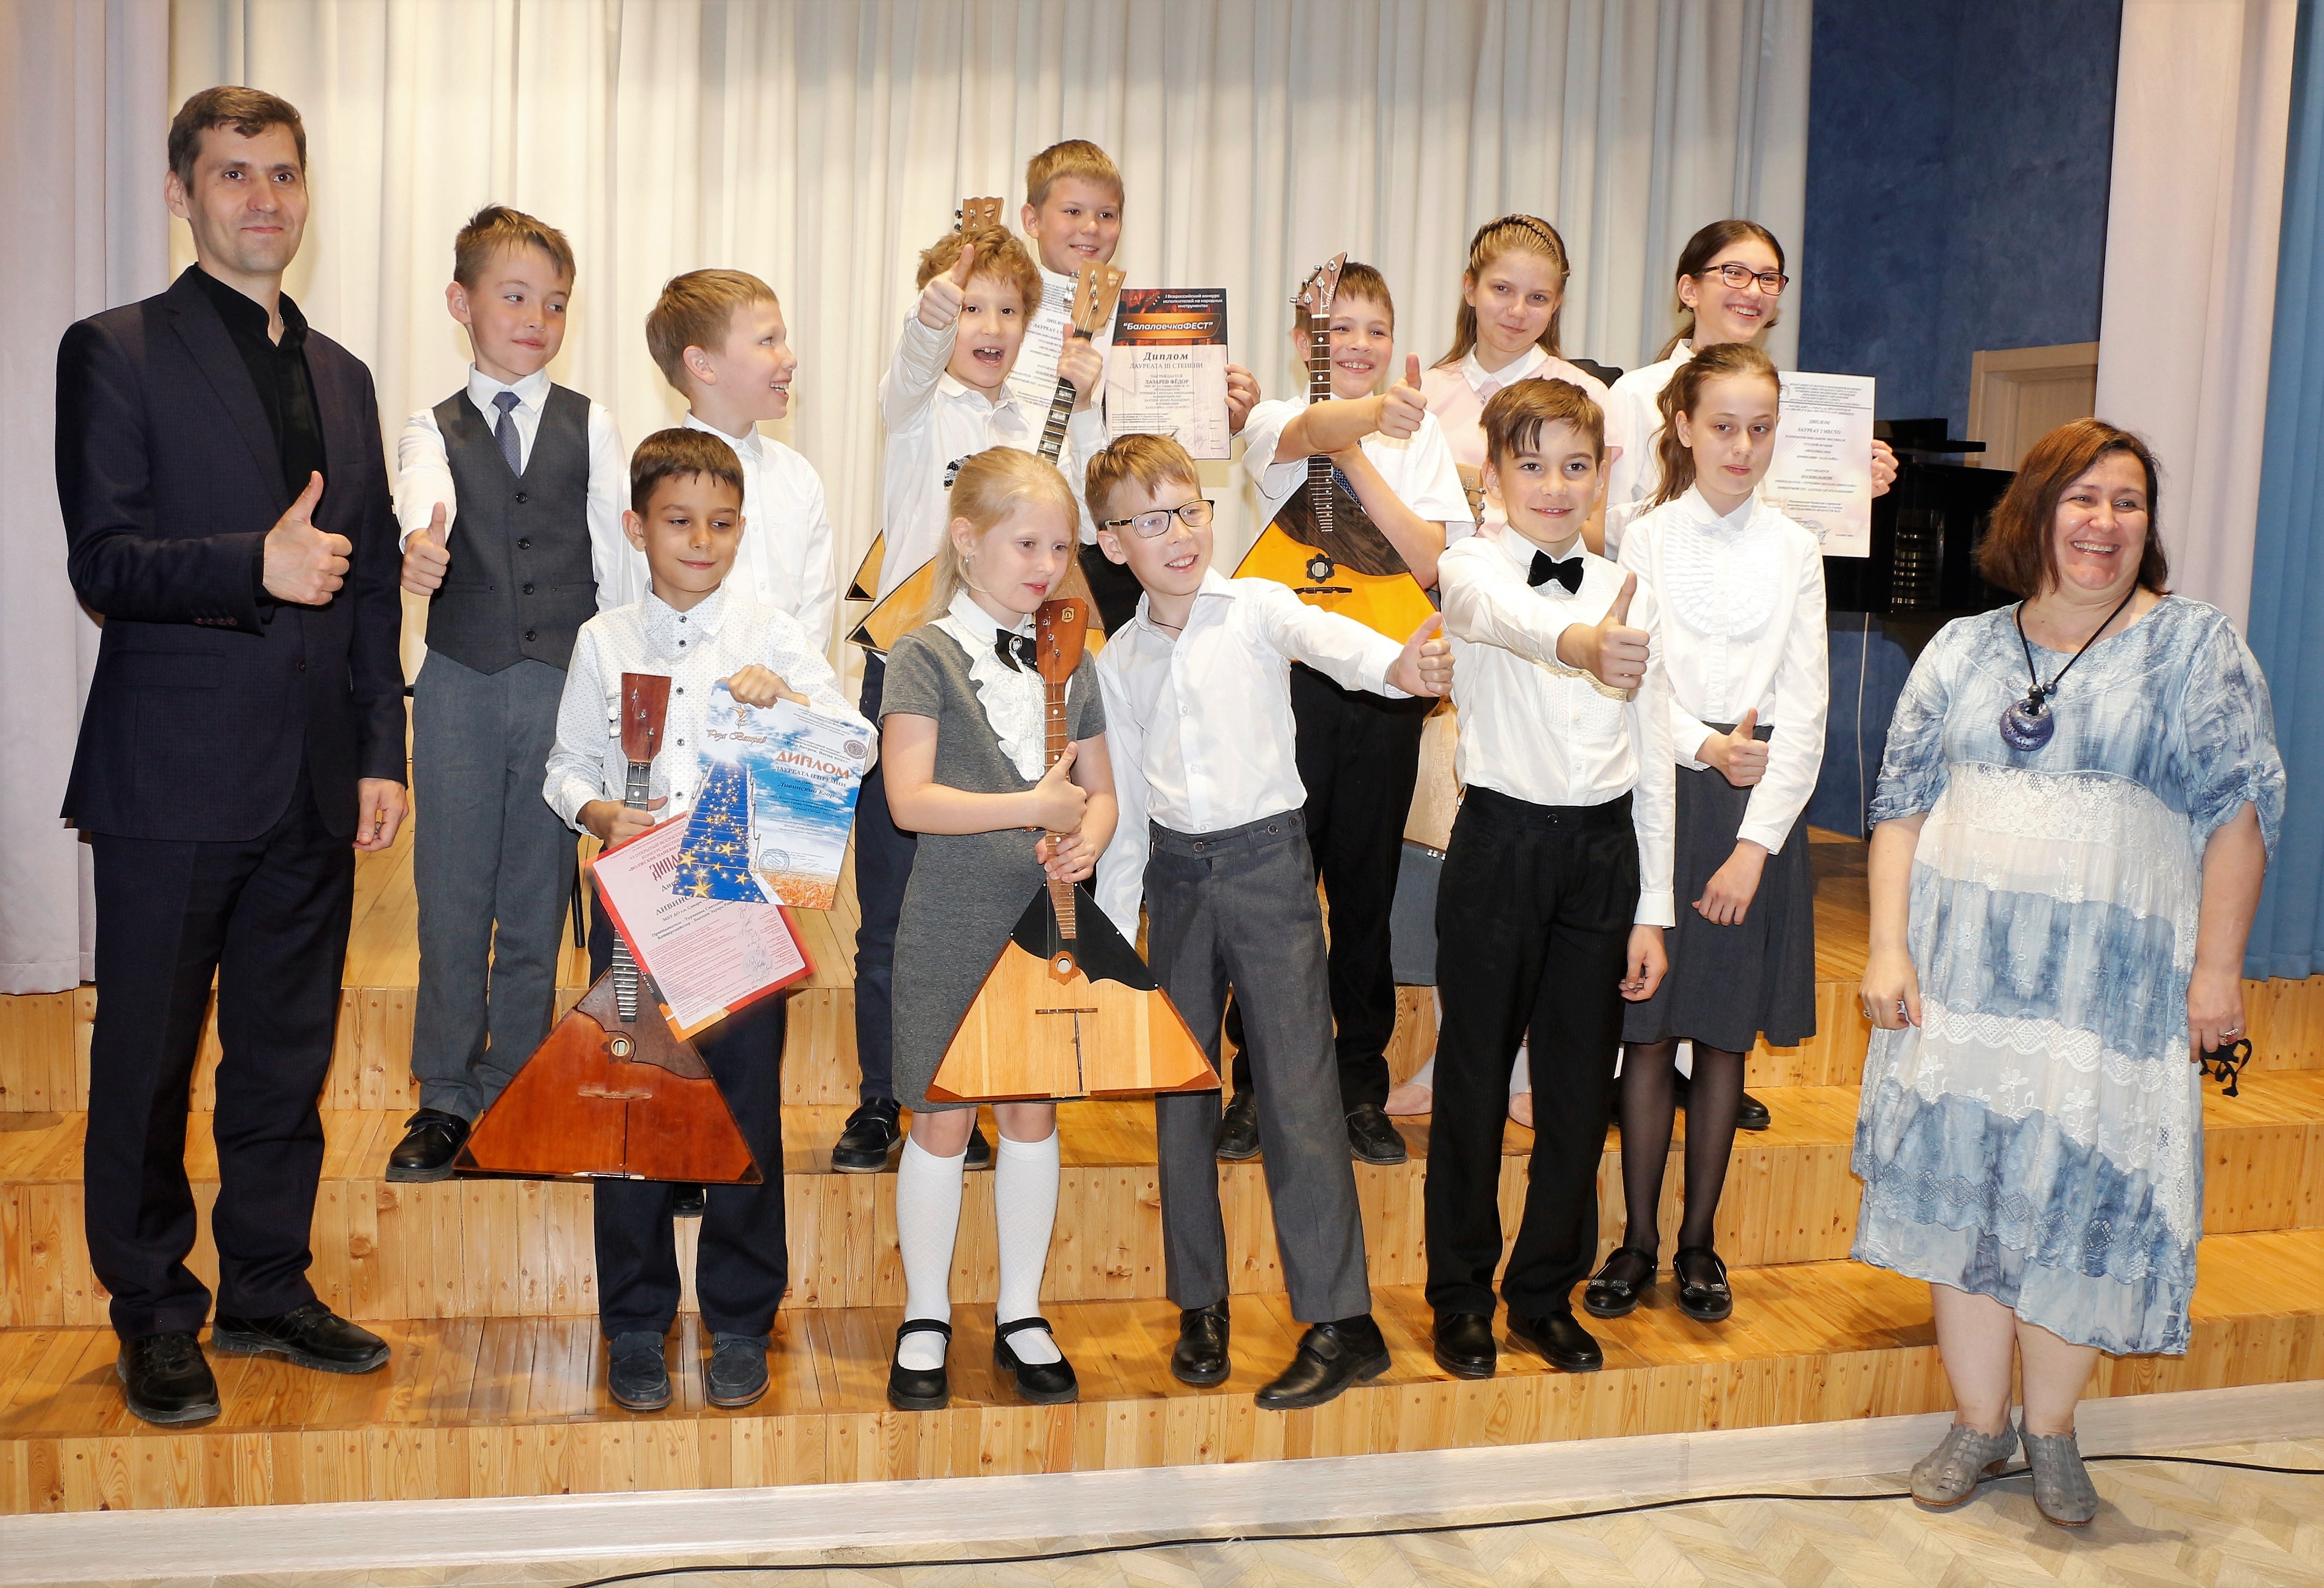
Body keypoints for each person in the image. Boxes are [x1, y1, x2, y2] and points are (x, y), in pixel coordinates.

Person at [1854, 419, 2280, 1525]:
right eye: (2082, 499)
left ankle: (2050, 1431)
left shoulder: (2195, 647)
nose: (2104, 522)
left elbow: (2238, 817)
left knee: (2077, 1199)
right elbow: (1900, 805)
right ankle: (1978, 1421)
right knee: (1967, 1191)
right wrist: (1889, 945)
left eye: (2127, 502)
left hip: (2112, 993)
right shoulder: (1962, 648)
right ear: (2036, 515)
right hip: (1962, 982)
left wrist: (2217, 972)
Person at [57, 86, 405, 1425]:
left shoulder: (345, 377)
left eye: (283, 174)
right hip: (170, 776)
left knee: (283, 1060)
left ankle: (265, 1284)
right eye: (234, 174)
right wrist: (248, 564)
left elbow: (367, 584)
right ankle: (152, 1309)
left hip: (315, 781)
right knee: (144, 1065)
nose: (264, 198)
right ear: (181, 194)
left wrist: (381, 749)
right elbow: (105, 561)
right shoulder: (114, 350)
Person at [1088, 431, 1452, 1409]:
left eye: (1190, 509)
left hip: (1267, 867)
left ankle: (1343, 1324)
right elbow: (1126, 808)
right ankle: (1198, 1305)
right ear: (1112, 542)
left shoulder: (1256, 605)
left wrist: (1402, 667)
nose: (1179, 533)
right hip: (1175, 877)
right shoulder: (1118, 659)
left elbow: (1337, 644)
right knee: (1181, 1097)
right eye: (1151, 520)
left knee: (1298, 1092)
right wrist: (1115, 936)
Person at [543, 428, 863, 1413]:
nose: (701, 541)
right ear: (636, 528)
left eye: (721, 524)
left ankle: (740, 1319)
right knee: (630, 1107)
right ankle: (636, 1322)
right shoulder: (602, 640)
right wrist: (599, 812)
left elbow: (850, 746)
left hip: (737, 905)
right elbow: (566, 766)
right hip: (634, 906)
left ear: (740, 530)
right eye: (679, 521)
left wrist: (788, 703)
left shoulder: (770, 633)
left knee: (742, 1111)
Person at [836, 222, 1105, 1176]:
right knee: (893, 904)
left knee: (1009, 889)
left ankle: (987, 1081)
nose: (989, 326)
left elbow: (1081, 524)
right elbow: (912, 364)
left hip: (1019, 675)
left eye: (1008, 309)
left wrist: (1087, 402)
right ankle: (887, 1094)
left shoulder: (1039, 412)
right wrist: (932, 311)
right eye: (971, 308)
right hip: (916, 666)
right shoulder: (917, 408)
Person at [1423, 380, 1674, 1379]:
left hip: (1603, 855)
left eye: (1575, 465)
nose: (1555, 485)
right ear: (1493, 473)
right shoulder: (1469, 566)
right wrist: (1581, 644)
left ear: (1602, 472)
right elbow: (1501, 618)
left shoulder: (1632, 586)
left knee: (1576, 1090)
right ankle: (1458, 1297)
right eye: (1531, 464)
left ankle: (1541, 1294)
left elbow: (1653, 756)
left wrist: (1653, 909)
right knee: (1474, 1081)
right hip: (1499, 843)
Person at [386, 205, 639, 1182]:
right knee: (451, 895)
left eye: (556, 303)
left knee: (536, 898)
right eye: (515, 296)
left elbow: (617, 559)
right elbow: (425, 490)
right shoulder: (430, 425)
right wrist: (422, 538)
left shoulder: (591, 422)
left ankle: (516, 1088)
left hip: (561, 687)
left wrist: (622, 691)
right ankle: (444, 1095)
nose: (537, 318)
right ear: (462, 303)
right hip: (457, 681)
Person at [1583, 342, 1828, 1331]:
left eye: (1759, 429)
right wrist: (1703, 747)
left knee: (1722, 1038)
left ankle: (1697, 1242)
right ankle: (1636, 1240)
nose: (1741, 446)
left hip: (1753, 814)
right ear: (1682, 427)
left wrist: (1753, 845)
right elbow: (1639, 683)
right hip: (1661, 790)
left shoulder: (1795, 547)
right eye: (1722, 426)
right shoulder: (1644, 536)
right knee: (1646, 1035)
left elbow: (1805, 708)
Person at [876, 447, 1117, 1412]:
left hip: (1043, 917)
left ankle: (1021, 1309)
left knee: (1031, 1110)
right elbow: (909, 800)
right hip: (949, 916)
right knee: (940, 1115)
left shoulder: (1075, 658)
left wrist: (1087, 839)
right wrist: (1031, 809)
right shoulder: (923, 653)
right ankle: (925, 1313)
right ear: (967, 540)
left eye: (1060, 547)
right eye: (1026, 544)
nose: (1046, 565)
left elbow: (1101, 794)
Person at [1225, 263, 1473, 1167]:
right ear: (1304, 343)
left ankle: (1360, 1085)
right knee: (1276, 894)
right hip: (1285, 689)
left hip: (1385, 690)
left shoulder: (1418, 435)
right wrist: (1361, 420)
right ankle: (1256, 1084)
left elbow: (1427, 560)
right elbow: (1308, 431)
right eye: (1337, 329)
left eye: (1376, 328)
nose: (1358, 344)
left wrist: (1365, 451)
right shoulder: (1268, 421)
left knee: (1364, 895)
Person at [1396, 213, 1614, 1126]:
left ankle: (1527, 1066)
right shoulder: (1428, 390)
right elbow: (1410, 529)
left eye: (1539, 296)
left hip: (1556, 645)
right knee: (1463, 864)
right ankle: (1459, 1054)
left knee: (1546, 871)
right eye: (1501, 290)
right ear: (1469, 289)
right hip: (1455, 639)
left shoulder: (1580, 393)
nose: (1518, 310)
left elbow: (1593, 525)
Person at [1008, 138, 1260, 632]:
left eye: (1107, 215)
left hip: (1107, 557)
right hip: (1011, 538)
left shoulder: (1144, 325)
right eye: (1073, 211)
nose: (1091, 228)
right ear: (1032, 220)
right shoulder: (1002, 316)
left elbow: (1150, 462)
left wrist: (1218, 422)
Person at [649, 268, 838, 649]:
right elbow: (632, 610)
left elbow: (818, 604)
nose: (790, 359)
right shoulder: (652, 480)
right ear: (703, 365)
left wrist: (787, 676)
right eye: (768, 341)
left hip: (789, 682)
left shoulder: (797, 475)